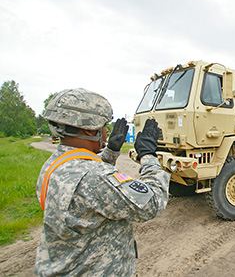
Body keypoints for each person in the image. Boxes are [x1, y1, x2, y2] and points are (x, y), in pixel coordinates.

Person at [35, 88, 170, 276]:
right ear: (89, 130)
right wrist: (147, 155)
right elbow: (152, 202)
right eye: (104, 126)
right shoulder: (95, 177)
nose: (106, 131)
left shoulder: (55, 165)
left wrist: (111, 151)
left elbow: (91, 190)